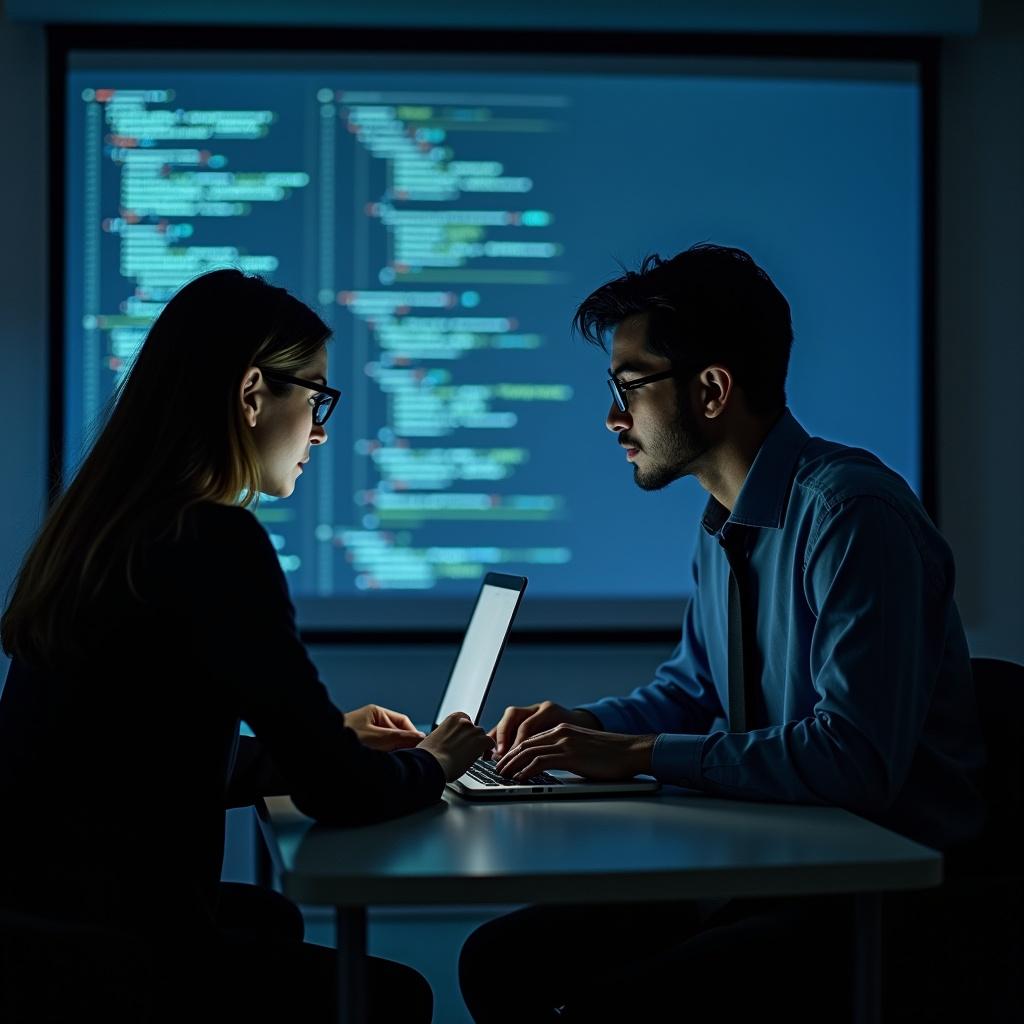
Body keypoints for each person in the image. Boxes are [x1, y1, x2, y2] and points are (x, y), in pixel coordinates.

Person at [458, 244, 986, 1023]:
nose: (613, 416)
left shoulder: (851, 515)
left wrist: (633, 754)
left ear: (711, 390)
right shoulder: (723, 523)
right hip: (772, 864)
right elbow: (693, 690)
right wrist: (585, 726)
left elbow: (854, 760)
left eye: (630, 385)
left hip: (876, 892)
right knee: (498, 961)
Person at [0, 269, 493, 1023]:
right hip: (118, 956)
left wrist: (329, 742)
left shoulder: (102, 530)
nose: (322, 429)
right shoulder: (211, 538)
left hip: (43, 934)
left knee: (272, 923)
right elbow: (340, 793)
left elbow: (126, 749)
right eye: (317, 397)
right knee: (395, 999)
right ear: (254, 391)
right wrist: (434, 764)